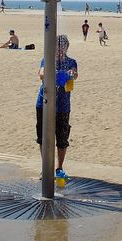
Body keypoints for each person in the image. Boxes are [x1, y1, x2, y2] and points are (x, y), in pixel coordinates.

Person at [36, 34, 78, 180]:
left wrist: (70, 74)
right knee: (43, 136)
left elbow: (75, 74)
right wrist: (54, 73)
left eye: (63, 46)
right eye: (57, 45)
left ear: (67, 47)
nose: (60, 49)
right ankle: (45, 168)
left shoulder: (71, 62)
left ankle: (59, 168)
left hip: (62, 105)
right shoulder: (47, 60)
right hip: (44, 103)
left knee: (62, 137)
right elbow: (41, 74)